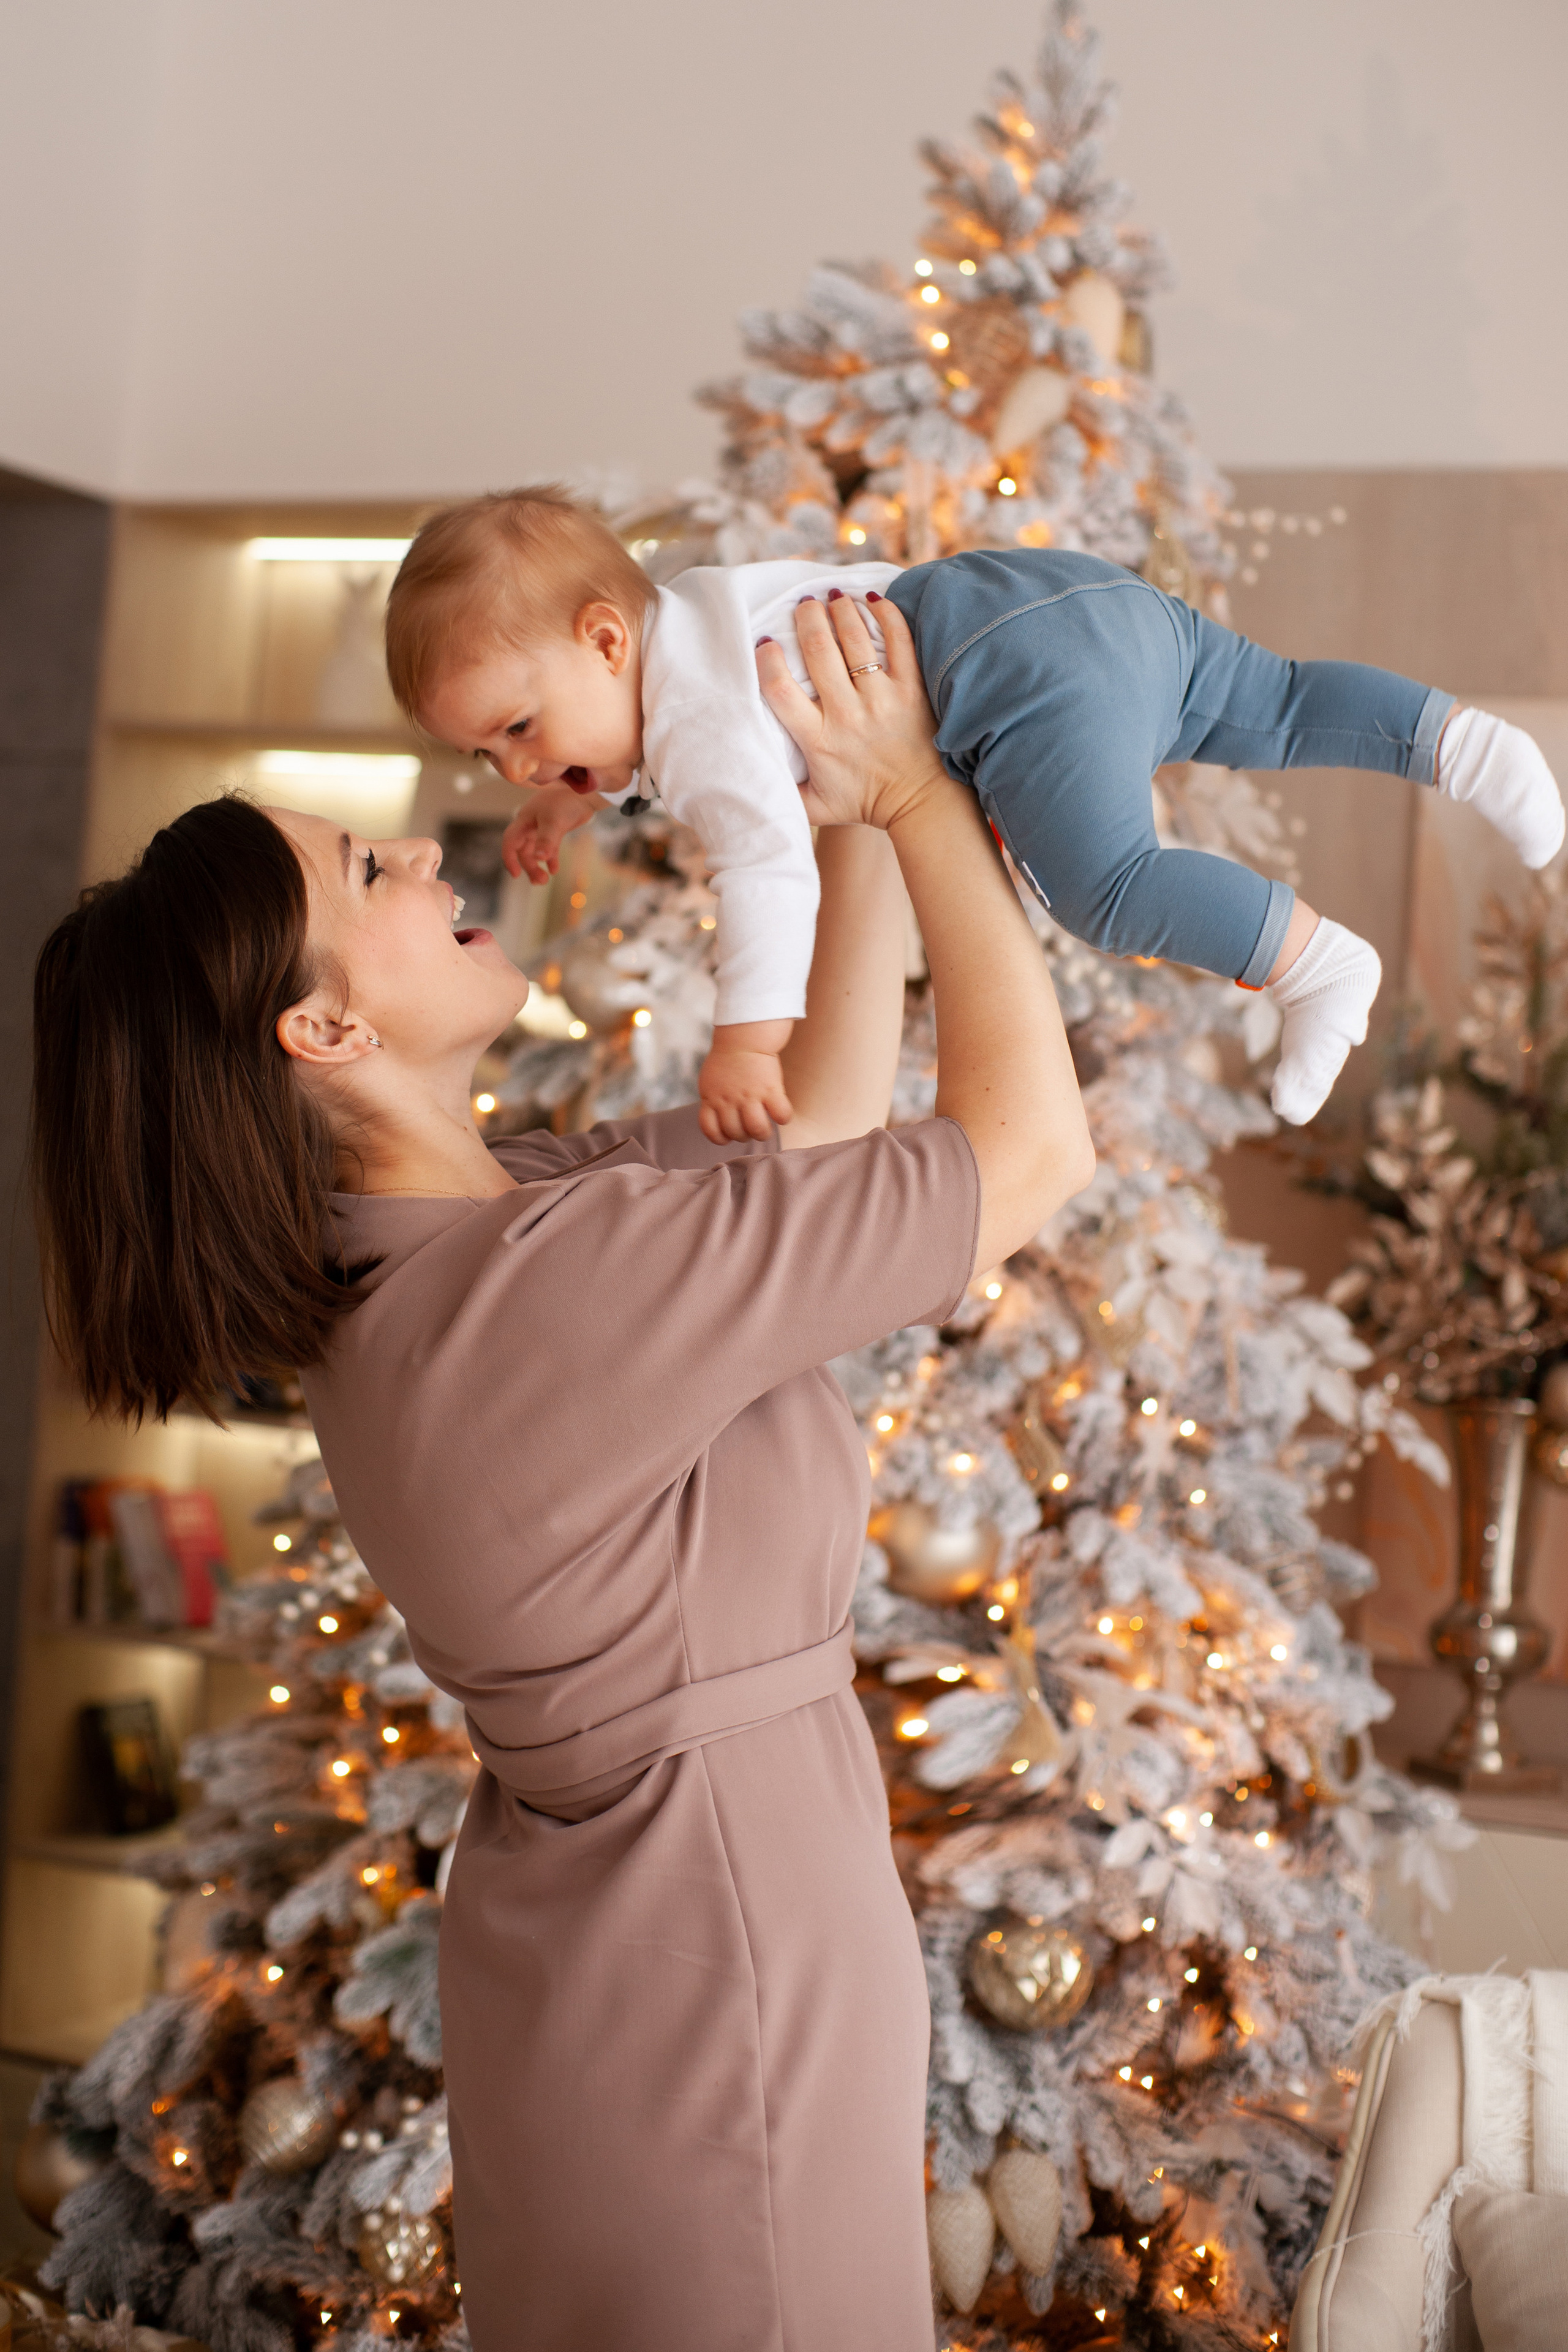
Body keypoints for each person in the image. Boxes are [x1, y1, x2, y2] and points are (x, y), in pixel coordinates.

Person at [31, 592, 1095, 2352]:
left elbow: (812, 1133)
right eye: (366, 877)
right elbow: (1026, 1150)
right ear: (325, 1036)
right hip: (719, 1941)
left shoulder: (491, 1225)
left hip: (667, 1930)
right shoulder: (539, 1293)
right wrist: (921, 800)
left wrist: (837, 815)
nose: (421, 849)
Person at [383, 485, 1564, 1140]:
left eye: (521, 733)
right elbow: (621, 743)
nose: (515, 771)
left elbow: (766, 863)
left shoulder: (692, 724)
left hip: (1005, 677)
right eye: (487, 754)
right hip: (1056, 595)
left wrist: (747, 1039)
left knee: (1102, 885)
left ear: (603, 639)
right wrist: (567, 805)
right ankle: (1460, 743)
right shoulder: (683, 628)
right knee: (1275, 701)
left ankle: (1316, 964)